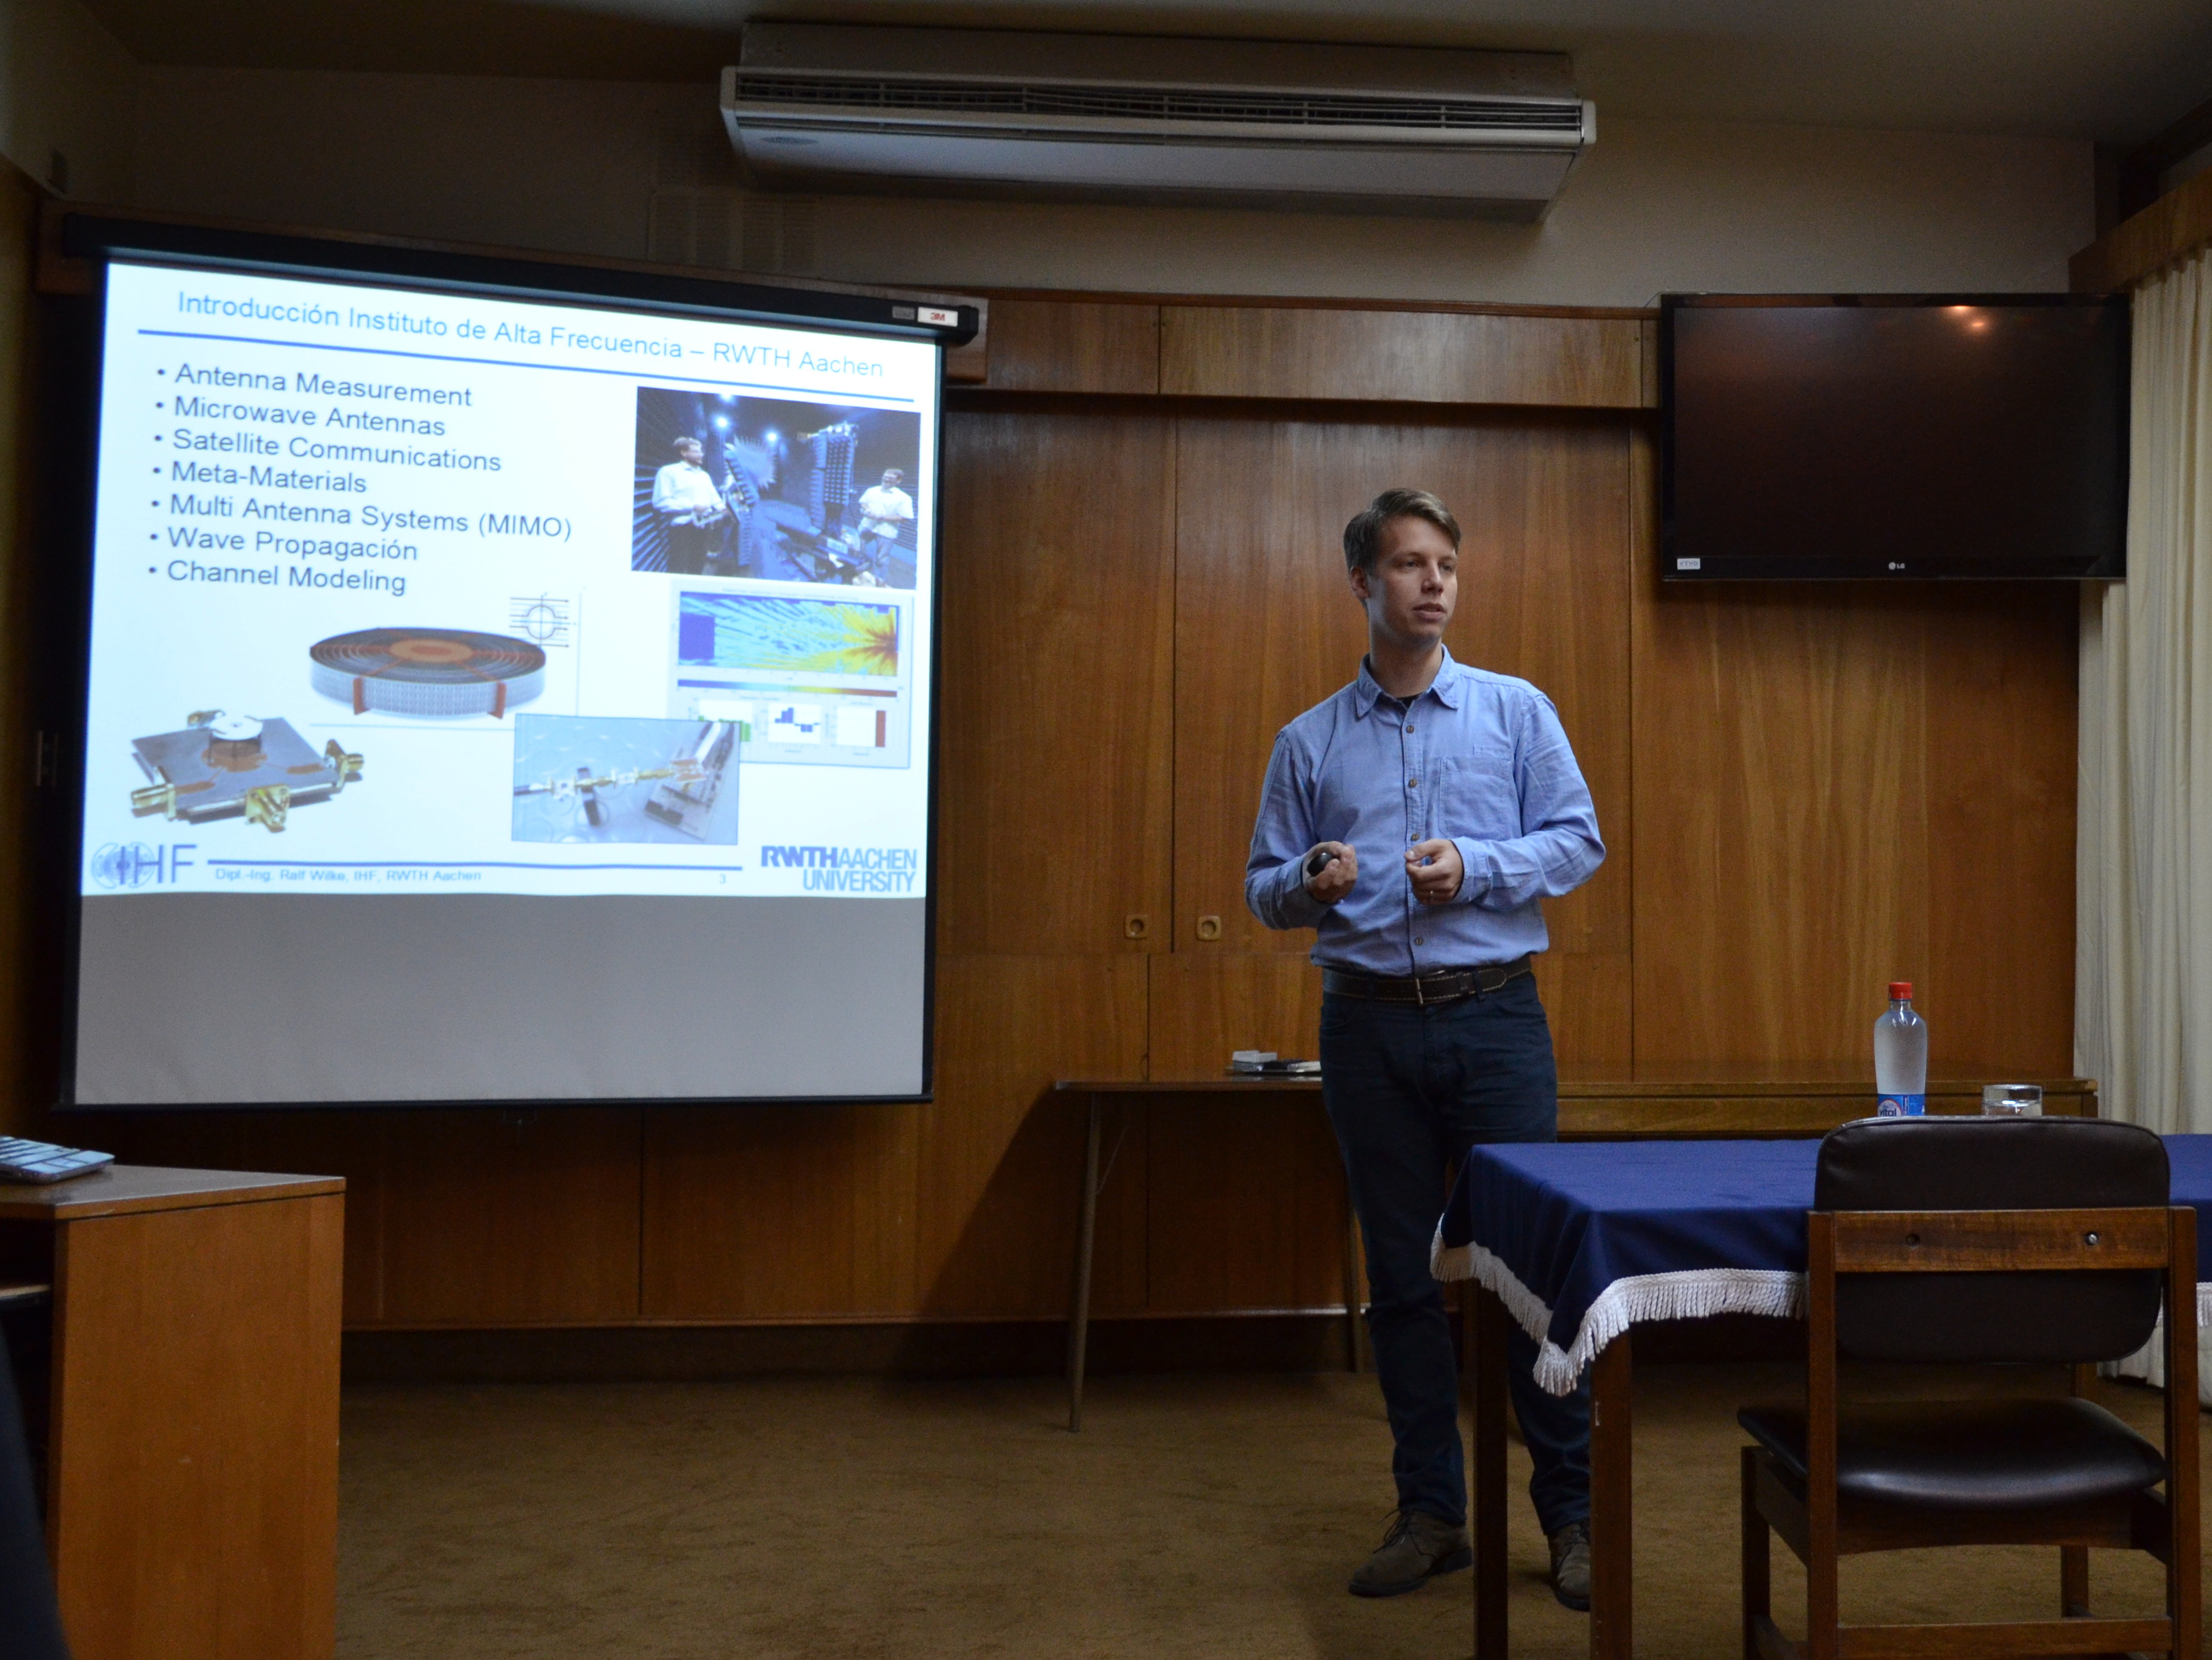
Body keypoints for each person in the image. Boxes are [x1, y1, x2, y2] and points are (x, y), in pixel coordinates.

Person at [1243, 488, 1605, 1608]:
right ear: (1365, 584)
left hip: (1497, 1018)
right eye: (1409, 563)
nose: (1434, 581)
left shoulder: (1516, 712)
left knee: (1534, 1275)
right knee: (1401, 1282)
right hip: (1366, 1028)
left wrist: (1480, 869)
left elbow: (1578, 840)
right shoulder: (1307, 741)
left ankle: (1573, 1518)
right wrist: (1311, 880)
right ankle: (1432, 1513)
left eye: (1446, 562)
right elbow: (1264, 894)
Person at [650, 436, 729, 575]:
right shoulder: (668, 472)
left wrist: (723, 509)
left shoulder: (704, 476)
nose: (701, 455)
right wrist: (692, 506)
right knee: (678, 567)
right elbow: (660, 502)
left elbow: (713, 497)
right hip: (682, 529)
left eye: (701, 451)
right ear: (683, 453)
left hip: (703, 527)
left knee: (698, 567)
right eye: (696, 451)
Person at [854, 468, 915, 564]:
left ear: (898, 481)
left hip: (886, 531)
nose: (886, 480)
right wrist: (867, 510)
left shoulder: (904, 498)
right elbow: (863, 502)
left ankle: (879, 578)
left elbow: (906, 517)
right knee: (856, 549)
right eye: (885, 477)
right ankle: (858, 572)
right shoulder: (872, 491)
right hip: (867, 526)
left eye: (891, 478)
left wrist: (883, 517)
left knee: (881, 560)